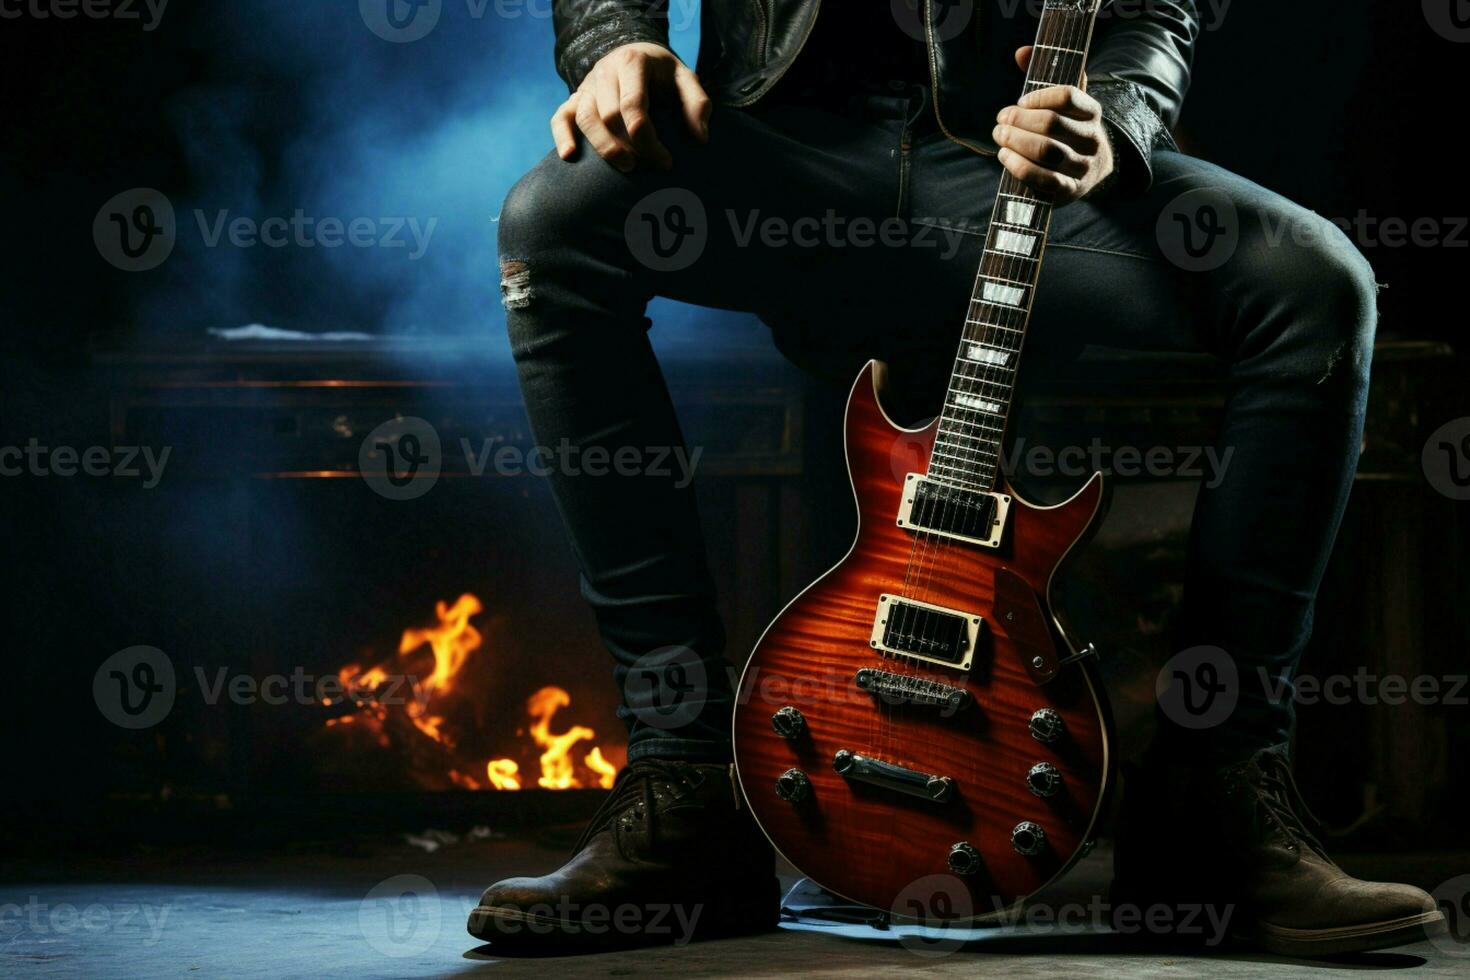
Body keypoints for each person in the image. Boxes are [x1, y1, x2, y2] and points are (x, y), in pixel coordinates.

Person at [470, 1, 1445, 957]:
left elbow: (1156, 8)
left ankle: (1214, 799)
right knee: (550, 222)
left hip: (1003, 168)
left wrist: (1114, 122)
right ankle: (681, 784)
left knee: (1316, 285)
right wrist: (618, 42)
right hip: (781, 157)